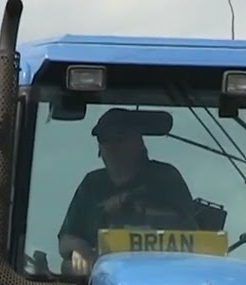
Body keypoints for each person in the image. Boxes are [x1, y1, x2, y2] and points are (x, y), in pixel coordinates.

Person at [57, 108, 198, 274]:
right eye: (105, 139)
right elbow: (66, 239)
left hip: (165, 274)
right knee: (69, 268)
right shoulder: (92, 185)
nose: (112, 146)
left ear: (138, 142)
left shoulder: (165, 178)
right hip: (105, 281)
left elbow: (194, 236)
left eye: (119, 138)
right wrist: (80, 250)